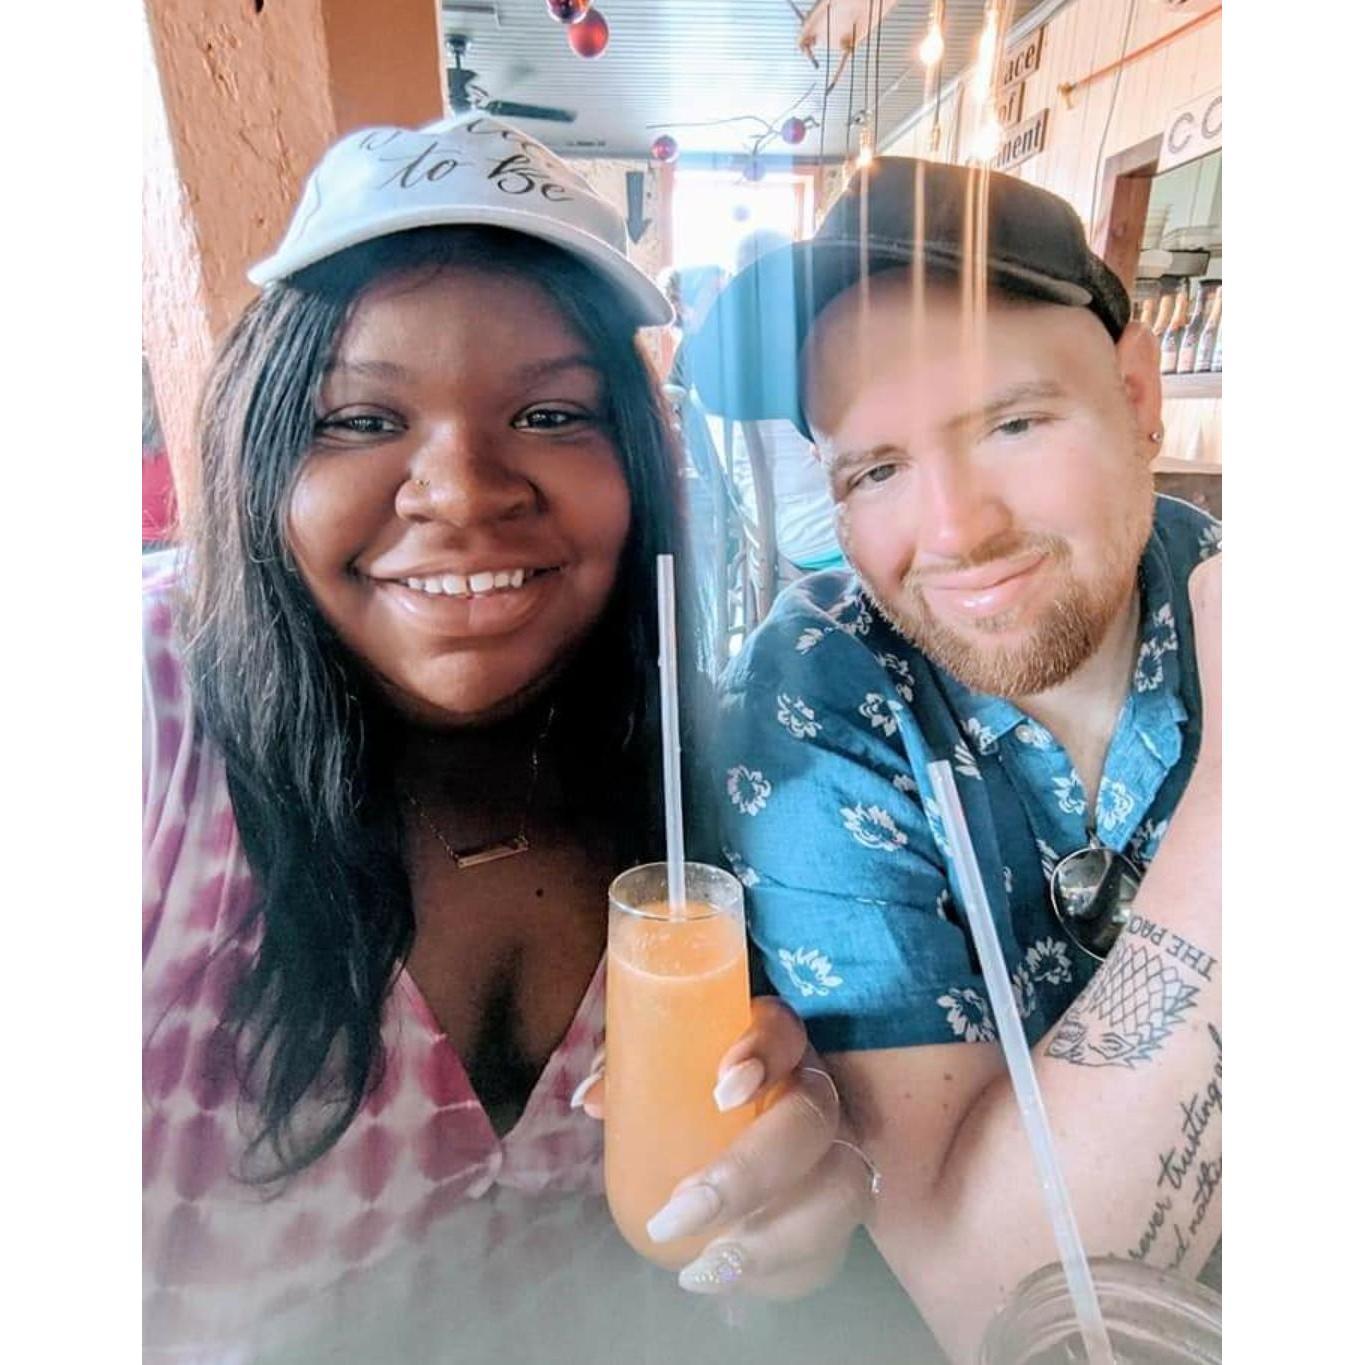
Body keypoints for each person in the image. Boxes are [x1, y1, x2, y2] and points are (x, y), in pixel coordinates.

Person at [143, 114, 875, 1361]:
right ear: (260, 451)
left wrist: (784, 1235)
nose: (467, 490)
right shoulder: (149, 715)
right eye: (360, 420)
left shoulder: (696, 775)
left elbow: (717, 1268)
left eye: (549, 414)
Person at [693, 159, 1222, 1364]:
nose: (957, 533)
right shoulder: (824, 697)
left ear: (1139, 396)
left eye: (1014, 424)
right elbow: (994, 1295)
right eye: (876, 470)